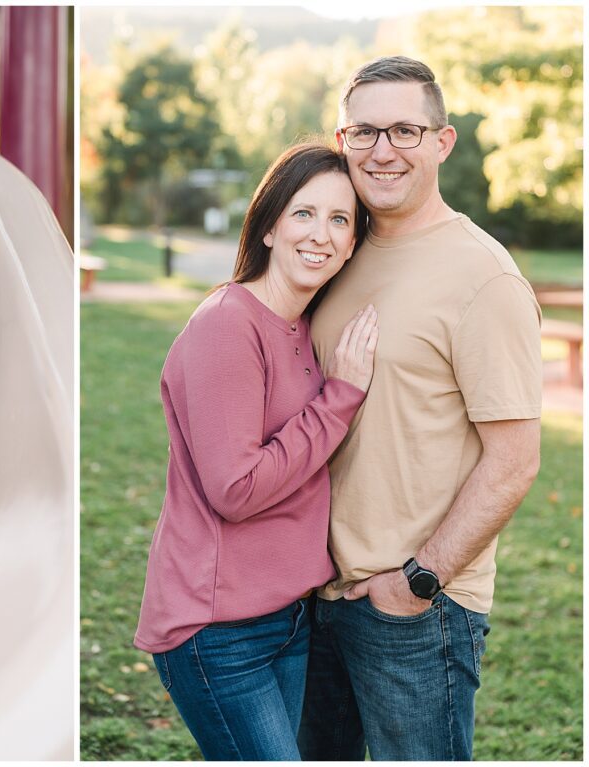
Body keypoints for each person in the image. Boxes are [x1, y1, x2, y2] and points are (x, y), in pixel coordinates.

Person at [299, 56, 542, 761]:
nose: (383, 151)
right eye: (365, 132)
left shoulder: (483, 276)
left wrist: (418, 579)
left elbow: (515, 459)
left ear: (443, 141)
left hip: (414, 611)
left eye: (405, 130)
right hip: (315, 596)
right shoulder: (340, 247)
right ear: (342, 140)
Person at [133, 143, 379, 761]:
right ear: (268, 226)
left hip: (288, 618)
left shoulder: (301, 325)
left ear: (352, 244)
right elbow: (235, 489)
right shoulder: (227, 324)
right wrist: (340, 398)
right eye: (304, 213)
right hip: (218, 631)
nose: (320, 234)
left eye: (340, 219)